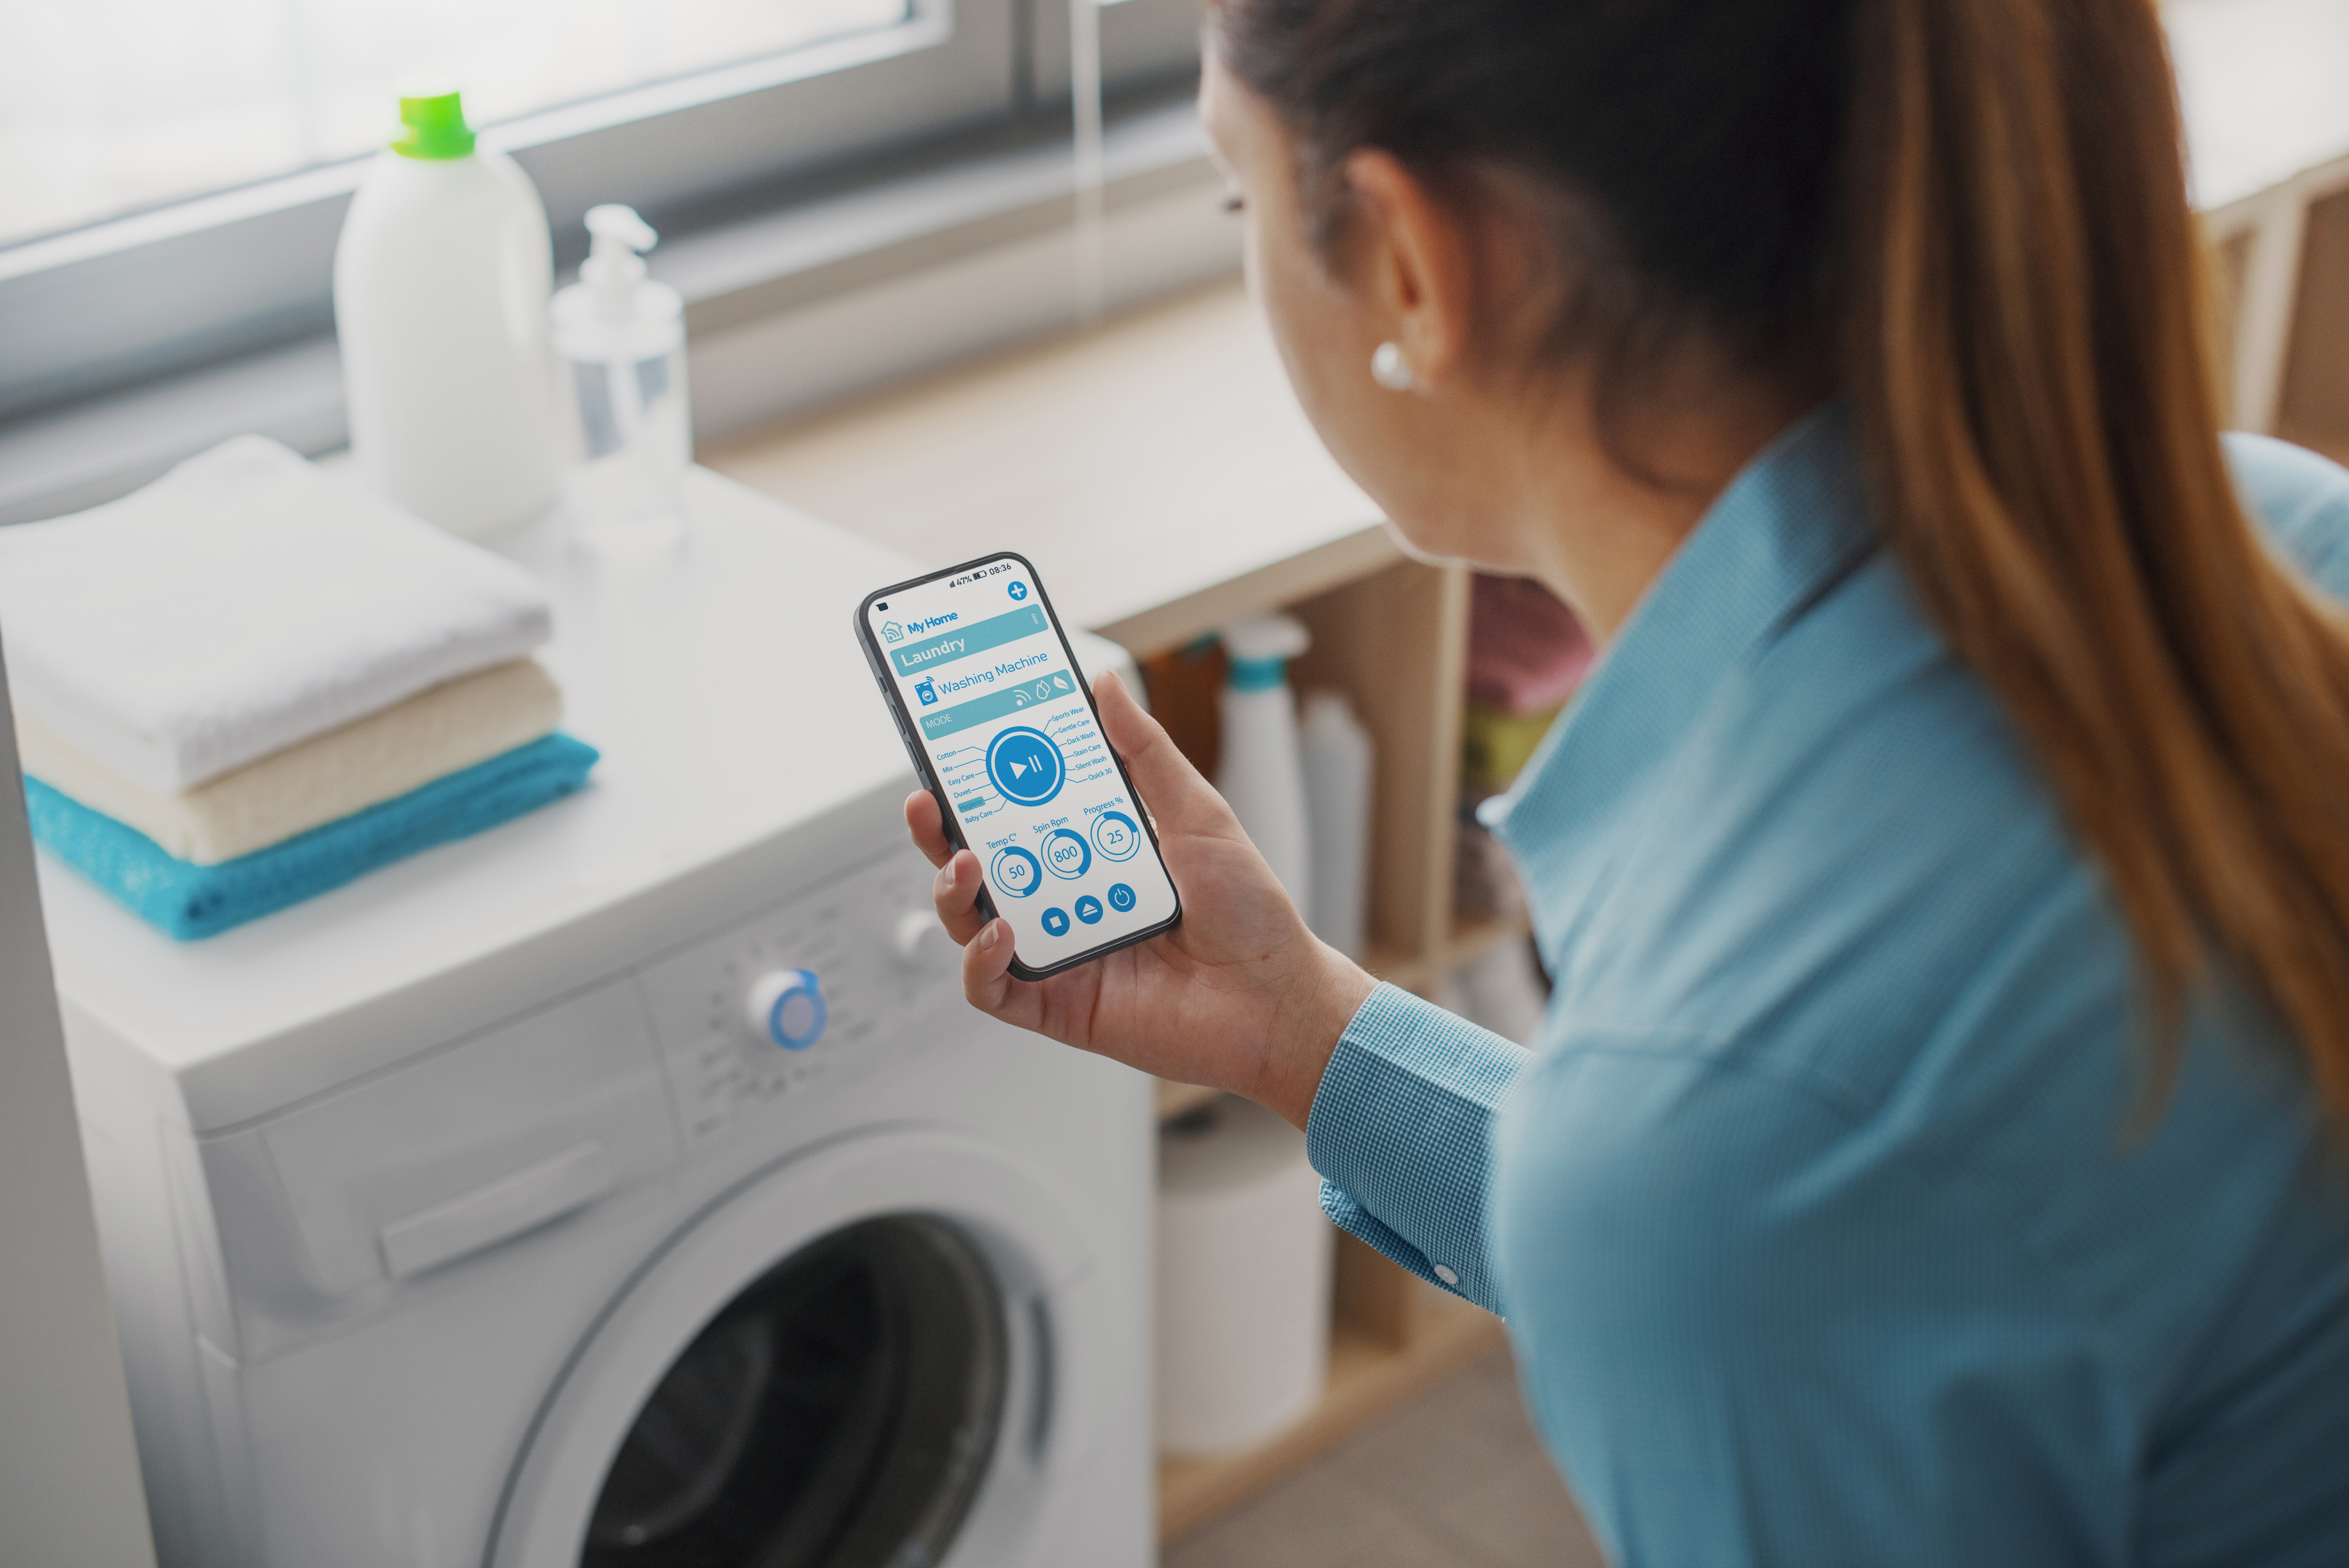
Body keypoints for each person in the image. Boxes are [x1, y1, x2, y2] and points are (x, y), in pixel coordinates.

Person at [907, 2, 2349, 1561]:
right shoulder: (2278, 538)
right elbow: (1846, 1233)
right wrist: (1304, 1030)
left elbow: (1765, 1199)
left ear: (1408, 264)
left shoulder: (1721, 1143)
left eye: (1239, 197)